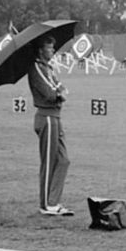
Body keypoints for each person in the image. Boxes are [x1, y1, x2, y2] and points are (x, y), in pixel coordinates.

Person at [28, 35, 72, 216]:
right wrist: (60, 93)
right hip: (46, 117)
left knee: (63, 160)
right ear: (40, 50)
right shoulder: (36, 67)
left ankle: (53, 202)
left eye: (53, 47)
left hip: (55, 117)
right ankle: (46, 205)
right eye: (49, 48)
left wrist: (60, 91)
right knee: (49, 163)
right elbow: (51, 93)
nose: (52, 51)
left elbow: (61, 87)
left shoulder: (48, 68)